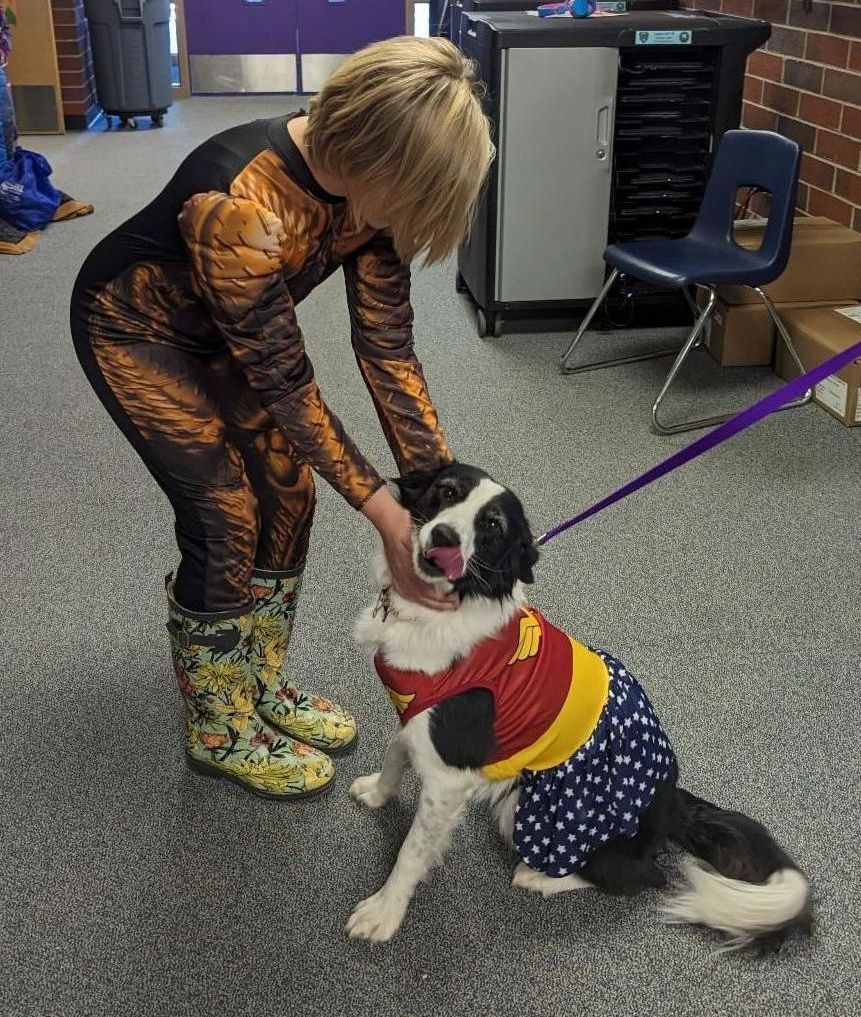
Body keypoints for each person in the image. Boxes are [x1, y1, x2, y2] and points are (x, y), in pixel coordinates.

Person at [70, 36, 494, 800]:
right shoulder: (240, 205)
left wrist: (440, 497)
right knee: (225, 511)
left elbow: (388, 351)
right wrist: (386, 517)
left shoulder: (366, 196)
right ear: (377, 159)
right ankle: (217, 722)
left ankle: (256, 688)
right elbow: (289, 385)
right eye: (413, 200)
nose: (410, 221)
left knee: (290, 495)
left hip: (233, 340)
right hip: (136, 333)